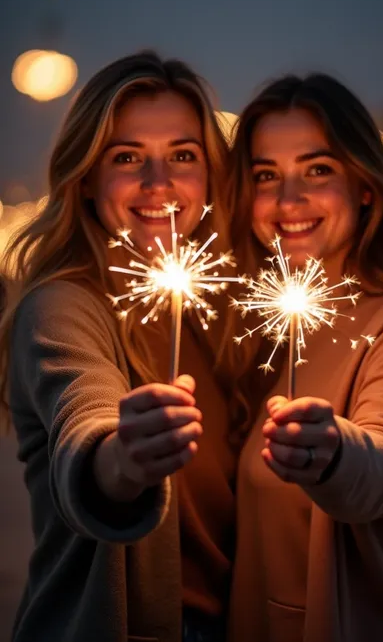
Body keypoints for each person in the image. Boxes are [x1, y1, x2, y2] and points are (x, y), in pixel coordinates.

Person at [0, 51, 254, 642]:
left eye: (183, 156)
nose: (158, 183)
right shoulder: (62, 307)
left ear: (211, 176)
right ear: (85, 177)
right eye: (127, 157)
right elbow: (82, 419)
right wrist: (122, 459)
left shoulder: (227, 314)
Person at [226, 74, 383, 642]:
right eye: (267, 175)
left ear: (365, 186)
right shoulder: (266, 330)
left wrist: (333, 451)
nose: (289, 200)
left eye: (317, 169)